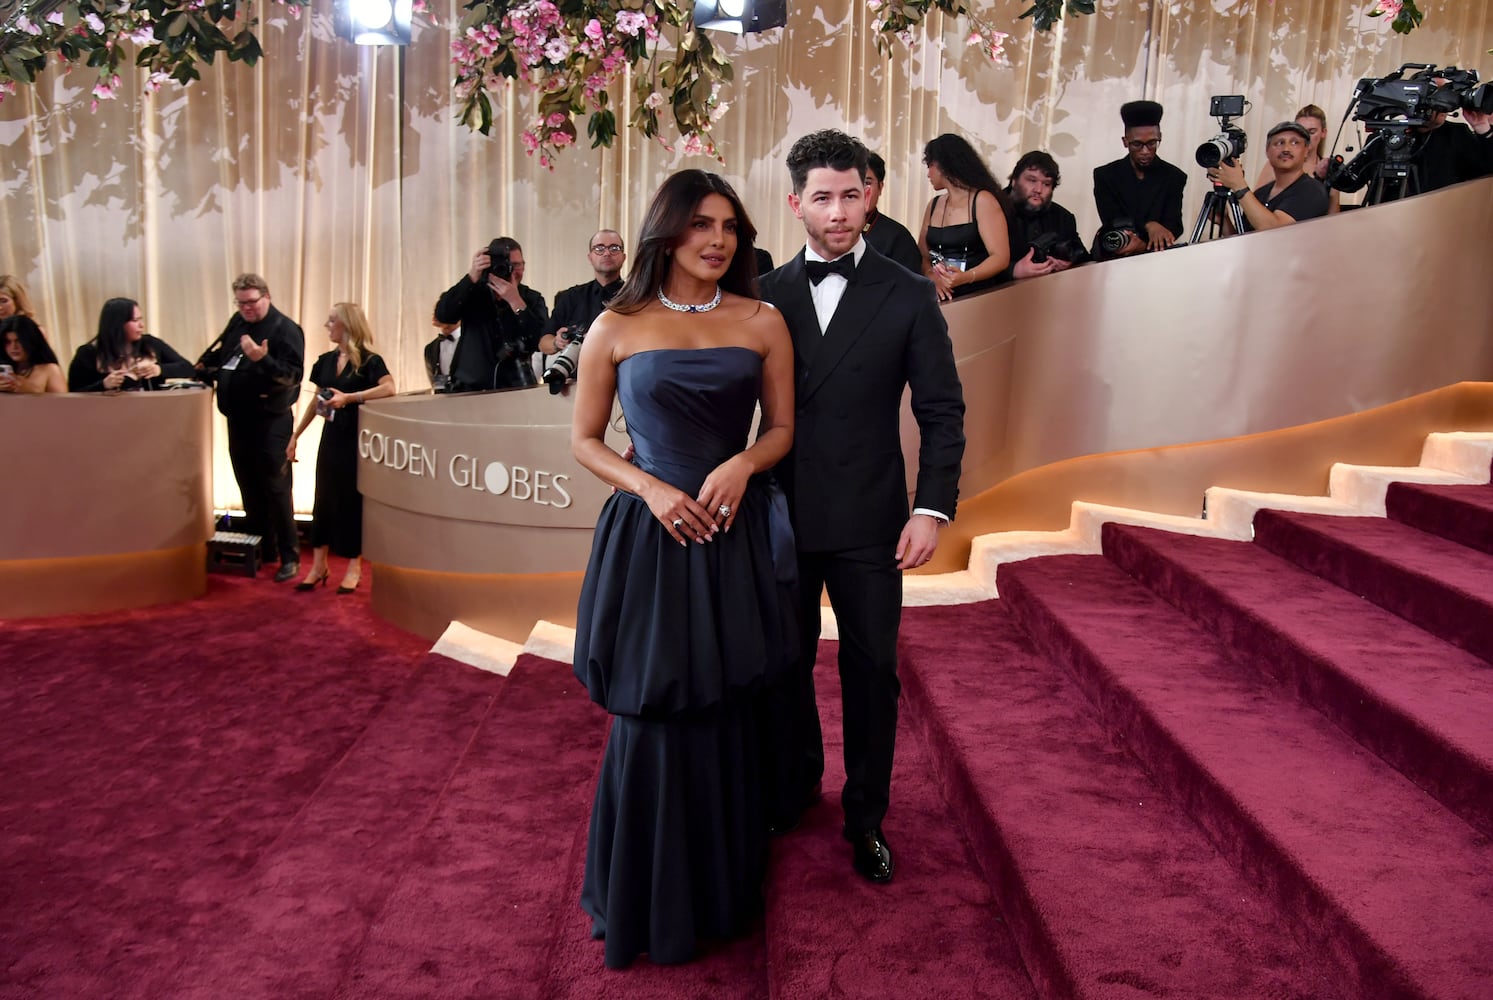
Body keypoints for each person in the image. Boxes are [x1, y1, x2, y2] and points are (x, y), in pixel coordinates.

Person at [569, 170, 797, 968]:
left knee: (727, 700)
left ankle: (719, 889)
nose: (717, 240)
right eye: (701, 224)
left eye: (730, 227)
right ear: (665, 231)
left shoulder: (762, 319)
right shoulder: (615, 325)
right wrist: (652, 489)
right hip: (654, 536)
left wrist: (742, 466)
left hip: (730, 530)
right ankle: (644, 895)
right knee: (655, 700)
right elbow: (586, 440)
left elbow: (780, 430)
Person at [760, 129, 966, 885]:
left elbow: (941, 411)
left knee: (870, 668)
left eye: (851, 194)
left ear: (871, 195)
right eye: (822, 197)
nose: (838, 211)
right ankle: (792, 788)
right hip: (778, 514)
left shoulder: (906, 292)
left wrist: (931, 508)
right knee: (781, 666)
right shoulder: (764, 295)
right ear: (795, 204)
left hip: (872, 517)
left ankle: (866, 815)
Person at [195, 274, 306, 583]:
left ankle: (290, 556)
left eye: (252, 302)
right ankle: (264, 549)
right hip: (238, 418)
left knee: (276, 488)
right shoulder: (238, 322)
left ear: (266, 297)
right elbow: (220, 354)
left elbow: (292, 376)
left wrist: (262, 359)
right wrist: (203, 369)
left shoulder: (286, 329)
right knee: (248, 485)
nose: (246, 308)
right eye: (241, 303)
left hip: (271, 421)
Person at [287, 303, 395, 594]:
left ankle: (354, 567)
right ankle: (318, 565)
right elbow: (316, 402)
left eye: (331, 320)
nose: (327, 325)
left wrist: (351, 397)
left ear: (347, 325)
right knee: (323, 497)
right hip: (331, 437)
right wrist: (296, 434)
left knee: (350, 501)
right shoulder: (324, 361)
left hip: (356, 439)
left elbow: (389, 388)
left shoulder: (371, 362)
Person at [435, 236, 548, 391]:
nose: (511, 271)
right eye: (505, 265)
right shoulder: (472, 292)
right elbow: (444, 315)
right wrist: (471, 276)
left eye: (517, 265)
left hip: (515, 387)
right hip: (470, 389)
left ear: (524, 265)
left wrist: (516, 302)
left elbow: (540, 340)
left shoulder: (531, 298)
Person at [917, 133, 1013, 300]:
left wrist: (967, 276)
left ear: (943, 165)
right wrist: (930, 275)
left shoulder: (983, 200)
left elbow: (1000, 257)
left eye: (930, 165)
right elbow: (922, 254)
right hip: (940, 296)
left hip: (977, 295)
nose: (928, 174)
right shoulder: (933, 205)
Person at [1092, 100, 1188, 255]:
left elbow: (1174, 225)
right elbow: (1112, 220)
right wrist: (1149, 225)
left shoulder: (1174, 176)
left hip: (1156, 256)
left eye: (1151, 143)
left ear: (1159, 138)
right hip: (1115, 253)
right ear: (1125, 142)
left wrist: (1146, 245)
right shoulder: (1105, 175)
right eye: (1137, 144)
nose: (1145, 151)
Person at [536, 229, 626, 384]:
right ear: (590, 257)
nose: (606, 253)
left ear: (623, 257)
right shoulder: (571, 297)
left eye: (614, 248)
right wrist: (558, 342)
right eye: (599, 248)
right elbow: (544, 342)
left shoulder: (635, 296)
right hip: (575, 384)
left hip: (622, 382)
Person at [1209, 121, 1330, 233]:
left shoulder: (1312, 190)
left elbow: (1274, 231)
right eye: (1279, 143)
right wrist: (1224, 221)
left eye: (1295, 142)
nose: (1286, 149)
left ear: (1306, 151)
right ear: (1267, 151)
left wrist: (1239, 185)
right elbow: (1242, 242)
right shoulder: (1261, 193)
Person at [67, 298, 194, 392]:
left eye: (141, 319)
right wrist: (103, 385)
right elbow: (74, 392)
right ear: (118, 324)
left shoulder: (151, 344)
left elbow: (188, 368)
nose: (141, 325)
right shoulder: (88, 353)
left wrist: (159, 369)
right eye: (135, 320)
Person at [1005, 150, 1087, 278]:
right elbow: (971, 263)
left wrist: (1068, 264)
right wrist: (1013, 270)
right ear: (1014, 181)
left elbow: (1083, 259)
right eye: (1032, 180)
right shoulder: (990, 210)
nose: (1038, 190)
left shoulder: (1063, 217)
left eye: (1046, 184)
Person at [862, 151, 924, 274]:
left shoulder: (898, 237)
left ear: (880, 187)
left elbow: (912, 287)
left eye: (867, 183)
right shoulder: (833, 230)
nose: (861, 190)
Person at [0, 315, 66, 394]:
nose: (14, 347)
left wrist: (32, 391)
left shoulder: (50, 370)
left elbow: (62, 404)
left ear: (31, 341)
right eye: (8, 342)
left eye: (19, 341)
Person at [423, 305, 460, 391]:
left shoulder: (471, 341)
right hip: (444, 401)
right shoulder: (430, 348)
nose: (437, 315)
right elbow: (436, 382)